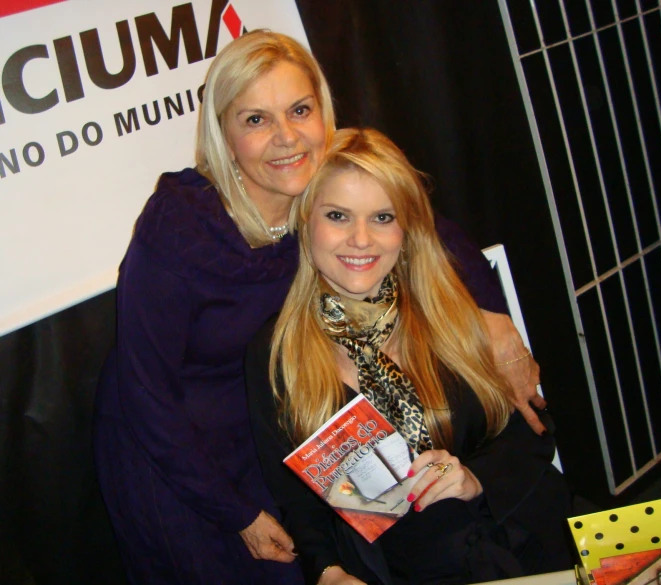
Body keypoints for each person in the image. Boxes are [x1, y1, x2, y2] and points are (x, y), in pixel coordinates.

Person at [93, 30, 545, 585]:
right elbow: (146, 393)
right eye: (256, 119)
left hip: (276, 424)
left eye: (299, 110)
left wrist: (494, 320)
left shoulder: (319, 177)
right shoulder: (181, 225)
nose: (286, 137)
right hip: (175, 452)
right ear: (224, 133)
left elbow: (426, 230)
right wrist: (235, 513)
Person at [246, 128, 573, 585]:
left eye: (382, 217)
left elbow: (535, 434)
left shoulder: (449, 310)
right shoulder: (278, 355)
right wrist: (327, 571)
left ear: (406, 228)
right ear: (306, 221)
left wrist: (474, 478)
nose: (361, 240)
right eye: (338, 215)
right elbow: (298, 500)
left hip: (528, 542)